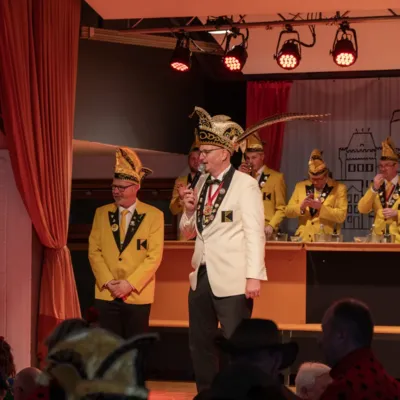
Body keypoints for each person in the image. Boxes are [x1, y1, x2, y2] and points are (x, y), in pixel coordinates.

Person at [180, 106, 267, 392]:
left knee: (236, 345)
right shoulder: (200, 182)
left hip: (233, 279)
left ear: (224, 153)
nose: (201, 157)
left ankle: (239, 394)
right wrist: (188, 211)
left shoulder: (245, 185)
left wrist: (254, 276)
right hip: (201, 277)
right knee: (200, 344)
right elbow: (188, 233)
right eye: (200, 152)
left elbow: (254, 233)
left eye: (206, 151)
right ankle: (206, 394)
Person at [89, 147, 164, 339]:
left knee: (135, 347)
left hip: (137, 294)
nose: (116, 191)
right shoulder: (101, 213)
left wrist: (129, 284)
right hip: (107, 293)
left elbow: (154, 256)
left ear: (136, 187)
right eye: (114, 187)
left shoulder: (154, 215)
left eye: (121, 187)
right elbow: (94, 251)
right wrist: (108, 281)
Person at [320, 298, 400, 399]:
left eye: (324, 332)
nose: (320, 341)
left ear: (341, 335)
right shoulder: (394, 387)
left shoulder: (341, 390)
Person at [286, 149, 348, 242]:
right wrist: (301, 208)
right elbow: (287, 211)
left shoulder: (339, 188)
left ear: (326, 176)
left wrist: (321, 208)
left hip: (326, 240)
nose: (315, 182)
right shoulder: (300, 186)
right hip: (303, 240)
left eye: (318, 179)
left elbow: (341, 216)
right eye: (312, 179)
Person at [238, 132, 286, 239]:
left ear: (262, 157)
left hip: (265, 230)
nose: (250, 162)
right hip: (245, 230)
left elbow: (281, 208)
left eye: (254, 158)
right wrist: (239, 177)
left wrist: (271, 225)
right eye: (248, 158)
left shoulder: (276, 178)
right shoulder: (244, 178)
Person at [358, 136, 400, 241]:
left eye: (387, 165)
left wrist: (397, 213)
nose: (383, 169)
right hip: (377, 240)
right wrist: (374, 189)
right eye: (381, 166)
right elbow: (362, 209)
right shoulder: (376, 185)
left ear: (396, 166)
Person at [170, 135, 201, 240]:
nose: (196, 161)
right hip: (186, 236)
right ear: (188, 160)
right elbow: (173, 210)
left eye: (199, 158)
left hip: (204, 235)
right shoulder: (180, 181)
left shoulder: (210, 180)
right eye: (193, 158)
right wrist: (180, 198)